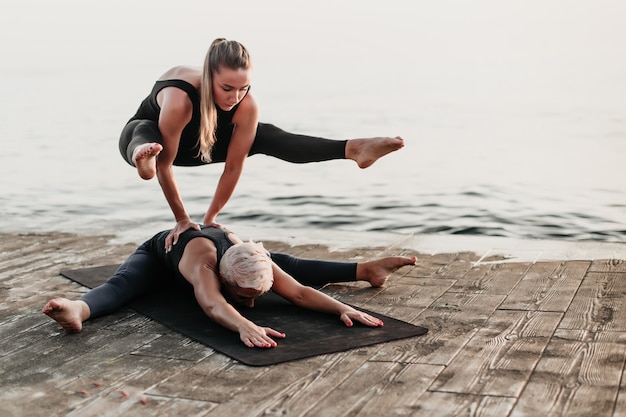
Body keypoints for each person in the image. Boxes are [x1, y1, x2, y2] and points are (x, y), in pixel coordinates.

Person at [119, 38, 405, 251]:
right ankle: (142, 162)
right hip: (155, 145)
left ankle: (352, 148)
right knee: (145, 132)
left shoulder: (246, 104)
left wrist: (210, 217)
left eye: (243, 88)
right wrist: (182, 219)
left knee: (264, 134)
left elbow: (233, 166)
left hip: (199, 146)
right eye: (227, 88)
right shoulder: (179, 97)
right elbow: (167, 165)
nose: (235, 97)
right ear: (209, 78)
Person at [43, 225, 417, 348]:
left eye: (256, 297)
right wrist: (243, 324)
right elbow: (210, 305)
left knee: (290, 265)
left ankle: (366, 270)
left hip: (242, 259)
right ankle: (77, 309)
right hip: (161, 257)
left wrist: (342, 308)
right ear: (224, 279)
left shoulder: (253, 258)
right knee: (125, 283)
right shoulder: (206, 265)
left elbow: (299, 291)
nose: (251, 305)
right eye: (244, 297)